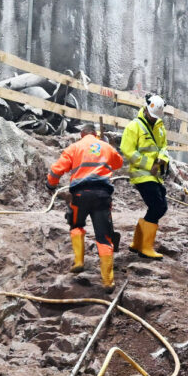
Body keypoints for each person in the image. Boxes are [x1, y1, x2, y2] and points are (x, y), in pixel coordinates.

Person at [47, 123, 123, 288]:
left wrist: (50, 184)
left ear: (82, 134)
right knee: (104, 237)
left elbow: (57, 169)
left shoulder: (75, 147)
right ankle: (108, 282)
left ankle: (79, 261)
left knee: (76, 224)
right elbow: (118, 163)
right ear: (95, 134)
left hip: (80, 195)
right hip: (102, 196)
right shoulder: (106, 146)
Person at [120, 94, 172, 259]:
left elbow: (164, 146)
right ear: (145, 108)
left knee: (158, 206)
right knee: (158, 207)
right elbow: (128, 151)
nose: (153, 118)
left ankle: (137, 243)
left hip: (155, 175)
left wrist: (162, 159)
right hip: (142, 174)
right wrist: (149, 164)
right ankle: (145, 248)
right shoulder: (133, 126)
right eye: (152, 115)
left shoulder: (159, 126)